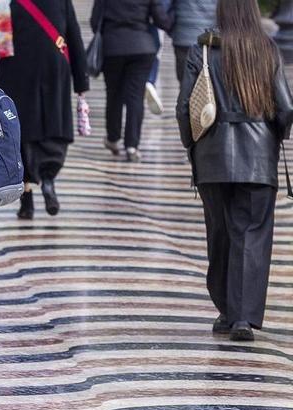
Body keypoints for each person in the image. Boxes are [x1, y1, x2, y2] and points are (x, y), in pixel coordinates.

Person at [176, 0, 293, 342]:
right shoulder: (266, 48)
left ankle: (227, 310)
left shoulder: (204, 48)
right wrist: (273, 136)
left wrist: (192, 146)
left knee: (221, 234)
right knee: (251, 235)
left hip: (212, 158)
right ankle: (243, 317)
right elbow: (285, 107)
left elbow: (186, 106)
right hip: (258, 161)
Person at [0, 0, 89, 220]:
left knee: (22, 136)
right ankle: (48, 180)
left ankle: (26, 199)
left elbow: (1, 44)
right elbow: (73, 37)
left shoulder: (6, 3)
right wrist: (81, 83)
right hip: (55, 71)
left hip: (18, 74)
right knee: (52, 126)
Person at [92, 0, 172, 162]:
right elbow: (162, 21)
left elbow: (95, 21)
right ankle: (132, 146)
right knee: (135, 97)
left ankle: (113, 139)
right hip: (142, 47)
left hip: (112, 47)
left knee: (114, 95)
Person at [169, 0, 217, 83]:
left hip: (183, 37)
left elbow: (163, 7)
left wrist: (172, 29)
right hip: (208, 39)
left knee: (185, 82)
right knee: (209, 81)